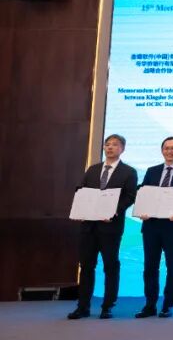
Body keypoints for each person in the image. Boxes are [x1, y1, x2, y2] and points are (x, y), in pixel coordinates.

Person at [68, 134, 138, 320]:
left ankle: (108, 306)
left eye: (114, 145)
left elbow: (130, 196)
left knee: (110, 266)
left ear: (122, 149)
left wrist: (113, 211)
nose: (110, 148)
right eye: (107, 145)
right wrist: (80, 209)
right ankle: (83, 306)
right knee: (86, 266)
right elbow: (81, 191)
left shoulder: (128, 172)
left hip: (111, 227)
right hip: (88, 227)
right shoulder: (93, 169)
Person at [134, 136, 173, 318]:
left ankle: (167, 305)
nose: (170, 151)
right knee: (150, 266)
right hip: (151, 225)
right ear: (162, 150)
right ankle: (150, 304)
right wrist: (142, 209)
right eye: (166, 148)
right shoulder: (152, 171)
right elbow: (144, 192)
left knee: (172, 266)